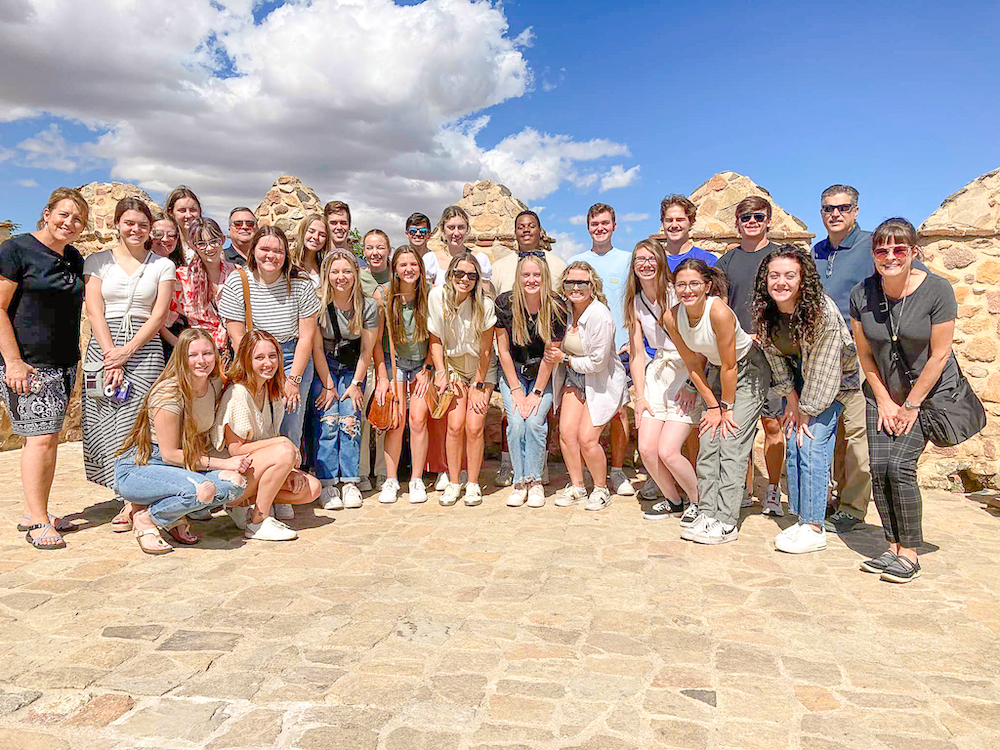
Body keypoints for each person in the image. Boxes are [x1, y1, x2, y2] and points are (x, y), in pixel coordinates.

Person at [851, 218, 958, 583]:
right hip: (880, 393)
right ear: (873, 254)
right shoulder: (861, 294)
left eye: (899, 249)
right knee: (878, 470)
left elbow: (940, 355)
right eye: (882, 250)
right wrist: (883, 400)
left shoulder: (938, 290)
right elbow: (865, 354)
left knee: (899, 467)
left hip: (925, 395)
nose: (890, 256)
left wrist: (910, 406)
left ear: (914, 252)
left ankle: (910, 552)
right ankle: (892, 545)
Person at [752, 246, 860, 553]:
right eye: (774, 275)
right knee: (794, 443)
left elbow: (826, 369)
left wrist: (806, 411)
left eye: (790, 275)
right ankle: (801, 519)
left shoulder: (821, 313)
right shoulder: (767, 312)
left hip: (834, 384)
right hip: (801, 385)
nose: (781, 282)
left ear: (803, 280)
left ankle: (814, 528)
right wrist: (791, 400)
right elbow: (774, 358)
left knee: (810, 443)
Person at [0, 188, 89, 549]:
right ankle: (38, 521)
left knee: (48, 438)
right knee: (38, 440)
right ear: (47, 212)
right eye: (64, 214)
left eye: (78, 219)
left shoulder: (74, 257)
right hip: (28, 364)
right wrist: (14, 362)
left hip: (64, 363)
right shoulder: (15, 249)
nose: (69, 223)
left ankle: (35, 510)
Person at [661, 259, 769, 545]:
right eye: (681, 284)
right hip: (713, 372)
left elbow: (731, 366)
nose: (687, 290)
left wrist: (727, 409)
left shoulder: (718, 311)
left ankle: (726, 521)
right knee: (709, 438)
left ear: (707, 285)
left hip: (747, 372)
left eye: (694, 283)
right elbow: (693, 363)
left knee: (731, 440)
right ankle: (708, 511)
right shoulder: (671, 318)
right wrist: (711, 406)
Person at [114, 329, 250, 554]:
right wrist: (224, 463)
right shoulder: (169, 394)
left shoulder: (213, 383)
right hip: (145, 464)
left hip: (181, 466)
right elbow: (170, 454)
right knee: (203, 491)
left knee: (235, 484)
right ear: (180, 357)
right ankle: (147, 518)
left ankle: (167, 512)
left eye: (207, 353)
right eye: (192, 355)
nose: (201, 361)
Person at [83, 198, 176, 525]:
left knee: (138, 422)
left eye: (142, 224)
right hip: (103, 348)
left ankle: (133, 500)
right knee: (104, 418)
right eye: (129, 223)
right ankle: (117, 488)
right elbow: (94, 309)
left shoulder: (162, 266)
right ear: (117, 225)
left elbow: (159, 314)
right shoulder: (97, 262)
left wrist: (128, 351)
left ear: (150, 228)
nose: (135, 230)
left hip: (144, 347)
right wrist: (112, 355)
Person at [218, 226, 320, 451]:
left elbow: (306, 336)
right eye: (265, 249)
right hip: (254, 357)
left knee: (290, 424)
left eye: (278, 251)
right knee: (258, 422)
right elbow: (238, 337)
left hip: (293, 357)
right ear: (253, 250)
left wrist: (293, 380)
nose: (271, 256)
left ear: (286, 254)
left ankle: (290, 475)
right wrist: (254, 371)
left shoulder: (300, 283)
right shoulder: (238, 281)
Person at [713, 196, 784, 515]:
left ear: (768, 220)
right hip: (738, 354)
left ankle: (772, 488)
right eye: (745, 217)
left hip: (774, 354)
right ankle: (740, 484)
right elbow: (721, 305)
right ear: (737, 223)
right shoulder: (727, 262)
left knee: (772, 424)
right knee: (738, 424)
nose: (752, 221)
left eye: (758, 216)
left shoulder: (780, 257)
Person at [215, 329, 322, 539]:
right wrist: (282, 444)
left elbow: (269, 444)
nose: (268, 363)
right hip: (231, 473)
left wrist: (286, 469)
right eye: (260, 357)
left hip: (257, 465)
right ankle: (258, 521)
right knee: (284, 450)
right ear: (247, 359)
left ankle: (247, 505)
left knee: (312, 488)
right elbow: (235, 449)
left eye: (272, 356)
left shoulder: (271, 390)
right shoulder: (238, 393)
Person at [812, 184, 875, 534]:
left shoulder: (871, 246)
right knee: (830, 432)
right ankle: (833, 499)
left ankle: (853, 507)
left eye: (842, 207)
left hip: (859, 355)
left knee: (857, 433)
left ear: (855, 210)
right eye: (828, 208)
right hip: (822, 357)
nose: (835, 213)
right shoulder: (816, 251)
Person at [624, 239, 700, 520]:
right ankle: (674, 500)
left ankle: (697, 501)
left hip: (685, 372)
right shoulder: (635, 301)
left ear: (660, 261)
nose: (645, 264)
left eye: (650, 258)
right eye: (639, 259)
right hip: (657, 374)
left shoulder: (677, 293)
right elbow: (637, 353)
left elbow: (700, 344)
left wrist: (694, 385)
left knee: (668, 451)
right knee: (646, 448)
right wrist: (640, 396)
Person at [546, 261, 627, 512]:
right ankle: (578, 485)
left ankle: (601, 488)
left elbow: (598, 363)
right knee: (567, 433)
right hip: (574, 377)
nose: (576, 287)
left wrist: (565, 359)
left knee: (588, 439)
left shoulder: (599, 315)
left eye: (582, 282)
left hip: (600, 381)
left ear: (593, 285)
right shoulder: (565, 311)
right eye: (571, 282)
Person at [492, 209, 565, 487]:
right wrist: (516, 389)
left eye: (531, 226)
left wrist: (535, 391)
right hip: (513, 364)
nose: (526, 230)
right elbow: (503, 347)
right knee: (515, 419)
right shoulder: (503, 288)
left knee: (535, 421)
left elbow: (551, 349)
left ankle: (536, 472)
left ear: (540, 230)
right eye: (520, 226)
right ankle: (515, 473)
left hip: (542, 368)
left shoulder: (557, 270)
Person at [567, 203, 634, 497]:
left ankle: (617, 471)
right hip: (586, 354)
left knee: (619, 414)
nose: (600, 228)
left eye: (605, 223)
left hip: (620, 349)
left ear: (614, 226)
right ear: (588, 227)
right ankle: (582, 478)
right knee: (578, 425)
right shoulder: (577, 262)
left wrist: (634, 339)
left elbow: (635, 300)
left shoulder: (628, 260)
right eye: (594, 223)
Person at [425, 206, 494, 490]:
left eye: (470, 276)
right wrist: (440, 372)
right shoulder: (437, 297)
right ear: (450, 274)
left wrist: (479, 382)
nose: (464, 280)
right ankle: (454, 481)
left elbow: (487, 350)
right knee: (454, 426)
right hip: (453, 367)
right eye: (459, 274)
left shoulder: (484, 304)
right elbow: (436, 339)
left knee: (474, 426)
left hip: (479, 367)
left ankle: (474, 482)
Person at [310, 250, 381, 510]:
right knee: (328, 418)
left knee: (350, 418)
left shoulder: (368, 305)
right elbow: (317, 348)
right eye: (336, 271)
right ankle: (327, 483)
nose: (341, 277)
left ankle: (350, 481)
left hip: (353, 367)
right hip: (326, 365)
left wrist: (355, 385)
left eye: (347, 271)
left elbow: (367, 350)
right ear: (327, 275)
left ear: (355, 274)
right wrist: (328, 385)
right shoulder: (318, 304)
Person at [373, 246, 434, 505]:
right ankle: (391, 479)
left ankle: (417, 478)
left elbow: (437, 338)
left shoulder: (429, 294)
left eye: (413, 264)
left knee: (418, 420)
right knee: (396, 423)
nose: (409, 269)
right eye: (403, 265)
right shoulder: (383, 295)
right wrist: (382, 376)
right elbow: (375, 341)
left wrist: (428, 369)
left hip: (421, 363)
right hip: (394, 362)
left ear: (420, 268)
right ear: (394, 268)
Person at [166, 218, 236, 361]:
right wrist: (181, 347)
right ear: (193, 246)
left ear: (222, 240)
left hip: (233, 353)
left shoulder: (237, 273)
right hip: (199, 357)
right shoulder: (182, 279)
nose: (209, 248)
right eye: (201, 244)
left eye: (214, 241)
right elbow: (162, 321)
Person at [358, 229, 392, 488]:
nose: (375, 253)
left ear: (388, 250)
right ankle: (360, 471)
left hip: (393, 353)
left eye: (380, 247)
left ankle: (383, 470)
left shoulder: (398, 276)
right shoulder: (358, 278)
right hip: (364, 352)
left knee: (384, 411)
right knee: (362, 415)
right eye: (370, 248)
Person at [425, 206, 493, 288]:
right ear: (443, 229)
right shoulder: (431, 260)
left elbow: (485, 295)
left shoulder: (480, 259)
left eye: (461, 227)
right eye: (451, 227)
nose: (456, 233)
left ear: (467, 229)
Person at [659, 195, 718, 272]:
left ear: (691, 222)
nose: (674, 225)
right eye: (669, 220)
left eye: (680, 220)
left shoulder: (707, 260)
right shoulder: (654, 260)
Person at [292, 213, 329, 288]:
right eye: (311, 231)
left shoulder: (326, 266)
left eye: (322, 235)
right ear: (303, 232)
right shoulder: (289, 263)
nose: (316, 237)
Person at [164, 186, 202, 257]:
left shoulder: (210, 245)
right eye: (182, 210)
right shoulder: (165, 245)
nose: (188, 215)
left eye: (193, 210)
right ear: (171, 213)